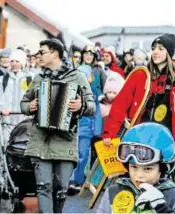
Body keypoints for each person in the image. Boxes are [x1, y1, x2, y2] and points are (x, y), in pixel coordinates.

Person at [20, 39, 95, 213]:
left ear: (55, 53)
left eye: (42, 52)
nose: (39, 56)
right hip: (41, 140)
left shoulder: (77, 77)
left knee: (61, 188)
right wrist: (29, 107)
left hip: (65, 140)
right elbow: (24, 102)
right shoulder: (39, 78)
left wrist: (81, 105)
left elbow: (91, 106)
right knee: (43, 186)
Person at [102, 34, 175, 144]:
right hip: (140, 137)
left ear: (169, 53)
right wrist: (109, 133)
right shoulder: (140, 75)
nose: (155, 52)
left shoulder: (173, 79)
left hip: (167, 140)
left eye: (161, 49)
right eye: (153, 48)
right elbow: (120, 103)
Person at [97, 123, 175, 213]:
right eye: (134, 167)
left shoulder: (172, 195)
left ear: (163, 169)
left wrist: (163, 209)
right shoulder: (113, 192)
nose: (138, 176)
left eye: (148, 169)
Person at [68, 45, 107, 194]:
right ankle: (73, 180)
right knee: (74, 151)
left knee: (87, 153)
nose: (89, 56)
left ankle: (83, 180)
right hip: (75, 120)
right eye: (86, 54)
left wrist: (97, 129)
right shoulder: (74, 78)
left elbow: (106, 90)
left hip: (90, 121)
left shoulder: (98, 74)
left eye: (91, 54)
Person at [0, 48, 31, 139]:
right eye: (12, 61)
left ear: (22, 63)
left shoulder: (29, 79)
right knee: (6, 146)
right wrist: (1, 109)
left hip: (24, 120)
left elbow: (32, 97)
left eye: (17, 61)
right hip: (7, 121)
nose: (14, 64)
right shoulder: (2, 79)